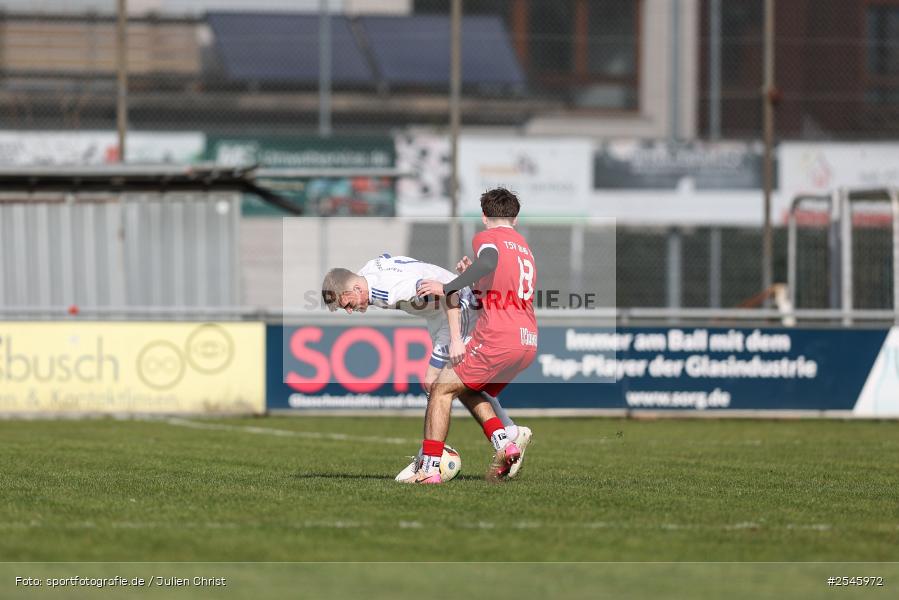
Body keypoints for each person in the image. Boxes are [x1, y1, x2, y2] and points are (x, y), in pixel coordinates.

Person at [320, 253, 531, 482]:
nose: (350, 310)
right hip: (439, 317)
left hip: (457, 311)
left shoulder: (392, 289)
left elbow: (449, 293)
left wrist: (456, 339)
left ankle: (433, 462)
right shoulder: (367, 272)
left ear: (356, 288)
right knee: (450, 384)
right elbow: (387, 259)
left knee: (442, 384)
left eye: (347, 304)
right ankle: (506, 437)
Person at [415, 187, 538, 483]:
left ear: (484, 216)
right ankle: (505, 444)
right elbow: (493, 289)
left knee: (440, 389)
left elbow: (489, 261)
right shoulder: (524, 247)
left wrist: (448, 287)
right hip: (527, 339)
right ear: (515, 219)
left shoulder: (487, 237)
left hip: (499, 335)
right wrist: (475, 278)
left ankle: (429, 469)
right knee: (468, 388)